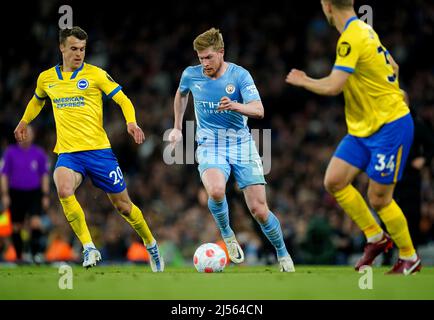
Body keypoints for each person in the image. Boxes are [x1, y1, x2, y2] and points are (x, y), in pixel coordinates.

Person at [285, 0, 421, 274]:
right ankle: (375, 237)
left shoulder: (350, 38)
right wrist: (390, 89)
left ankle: (409, 256)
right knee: (334, 181)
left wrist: (305, 80)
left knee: (379, 199)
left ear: (326, 6)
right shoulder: (365, 30)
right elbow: (392, 66)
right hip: (362, 129)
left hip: (390, 127)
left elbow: (335, 86)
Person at [13, 26, 164, 271]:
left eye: (82, 49)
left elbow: (123, 99)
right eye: (73, 48)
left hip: (99, 153)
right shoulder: (46, 78)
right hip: (69, 153)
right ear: (62, 47)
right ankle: (89, 248)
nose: (79, 54)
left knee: (123, 207)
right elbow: (37, 99)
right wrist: (24, 121)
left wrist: (131, 122)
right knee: (63, 188)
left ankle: (151, 243)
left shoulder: (96, 75)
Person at [168, 28, 295, 272]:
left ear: (221, 53)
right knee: (215, 191)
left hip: (241, 144)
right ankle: (227, 234)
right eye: (200, 58)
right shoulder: (191, 75)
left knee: (259, 209)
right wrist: (177, 127)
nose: (204, 63)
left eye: (208, 57)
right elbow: (181, 95)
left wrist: (235, 105)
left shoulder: (239, 76)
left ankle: (282, 254)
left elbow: (259, 110)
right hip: (209, 144)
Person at [1, 125, 50, 263]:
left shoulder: (39, 153)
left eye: (29, 133)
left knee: (35, 223)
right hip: (15, 192)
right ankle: (19, 256)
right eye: (24, 132)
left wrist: (45, 195)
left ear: (33, 135)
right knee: (16, 226)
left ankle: (35, 255)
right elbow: (4, 174)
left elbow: (44, 175)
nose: (26, 135)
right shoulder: (10, 152)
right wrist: (5, 194)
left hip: (34, 193)